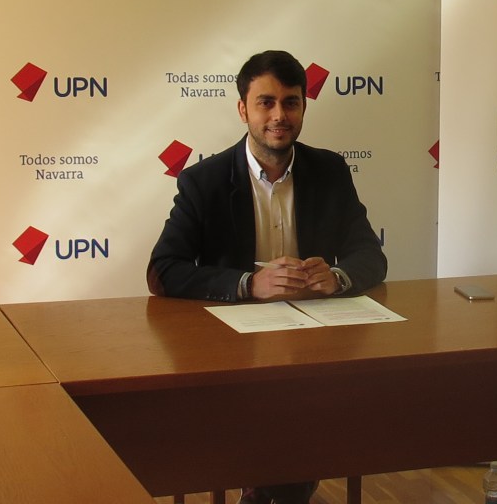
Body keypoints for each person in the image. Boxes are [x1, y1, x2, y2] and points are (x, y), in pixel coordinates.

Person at [147, 50, 388, 504]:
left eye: (291, 102)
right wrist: (246, 284)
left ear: (303, 107)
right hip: (235, 347)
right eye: (266, 102)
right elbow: (164, 269)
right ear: (243, 109)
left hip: (313, 344)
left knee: (309, 405)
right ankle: (276, 487)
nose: (280, 115)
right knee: (279, 416)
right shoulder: (204, 181)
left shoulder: (330, 170)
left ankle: (265, 488)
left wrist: (337, 276)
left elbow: (369, 255)